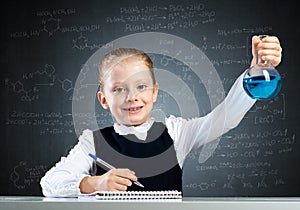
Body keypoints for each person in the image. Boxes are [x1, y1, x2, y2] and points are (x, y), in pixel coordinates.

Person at [40, 35, 282, 197]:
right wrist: (94, 183)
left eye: (141, 86)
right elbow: (50, 182)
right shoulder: (91, 142)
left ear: (155, 92)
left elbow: (226, 116)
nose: (132, 97)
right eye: (119, 89)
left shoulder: (176, 133)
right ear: (104, 99)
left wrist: (256, 71)